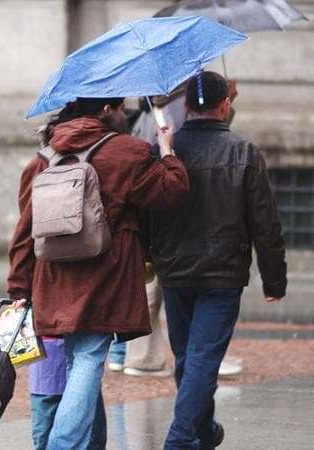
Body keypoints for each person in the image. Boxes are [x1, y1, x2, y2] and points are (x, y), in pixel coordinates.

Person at [8, 97, 190, 449]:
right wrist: (167, 150)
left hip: (54, 278)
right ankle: (64, 445)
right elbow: (173, 192)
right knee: (89, 359)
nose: (125, 113)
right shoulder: (126, 152)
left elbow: (24, 232)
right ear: (106, 110)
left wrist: (19, 287)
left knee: (80, 359)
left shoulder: (43, 158)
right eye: (121, 107)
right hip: (106, 276)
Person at [151, 71, 287, 450]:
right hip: (222, 274)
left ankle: (203, 432)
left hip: (176, 270)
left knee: (189, 359)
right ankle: (179, 440)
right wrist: (274, 280)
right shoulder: (243, 152)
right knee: (201, 359)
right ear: (225, 105)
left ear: (186, 107)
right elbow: (265, 222)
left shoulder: (166, 150)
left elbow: (149, 212)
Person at [109, 80, 244, 379]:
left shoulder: (150, 103)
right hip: (172, 202)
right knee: (170, 285)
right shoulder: (174, 102)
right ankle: (194, 355)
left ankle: (139, 355)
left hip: (156, 203)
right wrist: (223, 103)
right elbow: (202, 136)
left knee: (152, 283)